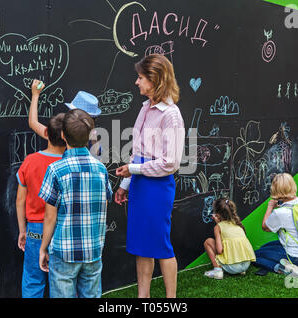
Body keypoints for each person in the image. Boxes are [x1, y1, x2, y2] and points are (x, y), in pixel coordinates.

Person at [114, 54, 185, 298]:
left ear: (156, 80)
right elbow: (138, 153)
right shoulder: (145, 108)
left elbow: (171, 163)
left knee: (161, 246)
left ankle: (170, 300)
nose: (137, 82)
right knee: (141, 246)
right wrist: (125, 184)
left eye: (141, 77)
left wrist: (132, 172)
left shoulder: (171, 115)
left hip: (157, 188)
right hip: (140, 184)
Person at [38, 109, 112, 298]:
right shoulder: (101, 169)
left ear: (63, 135)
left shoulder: (55, 170)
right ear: (89, 136)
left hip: (64, 251)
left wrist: (43, 248)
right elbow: (105, 203)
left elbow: (49, 217)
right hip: (93, 249)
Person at [15, 111, 66, 297]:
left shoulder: (30, 161)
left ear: (46, 134)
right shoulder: (68, 163)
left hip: (35, 229)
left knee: (32, 279)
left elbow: (20, 200)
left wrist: (23, 230)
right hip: (63, 229)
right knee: (62, 281)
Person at [253, 173, 298, 277]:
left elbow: (265, 227)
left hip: (296, 256)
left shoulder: (280, 212)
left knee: (255, 256)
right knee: (267, 247)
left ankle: (285, 269)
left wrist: (270, 207)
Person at [28, 79, 102, 159]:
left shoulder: (63, 132)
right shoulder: (94, 139)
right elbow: (99, 162)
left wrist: (35, 95)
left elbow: (33, 123)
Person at [203, 198, 256, 279]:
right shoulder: (237, 224)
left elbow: (219, 250)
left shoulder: (218, 227)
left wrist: (218, 225)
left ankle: (217, 270)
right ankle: (241, 271)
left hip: (233, 268)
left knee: (208, 242)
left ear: (217, 214)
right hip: (246, 265)